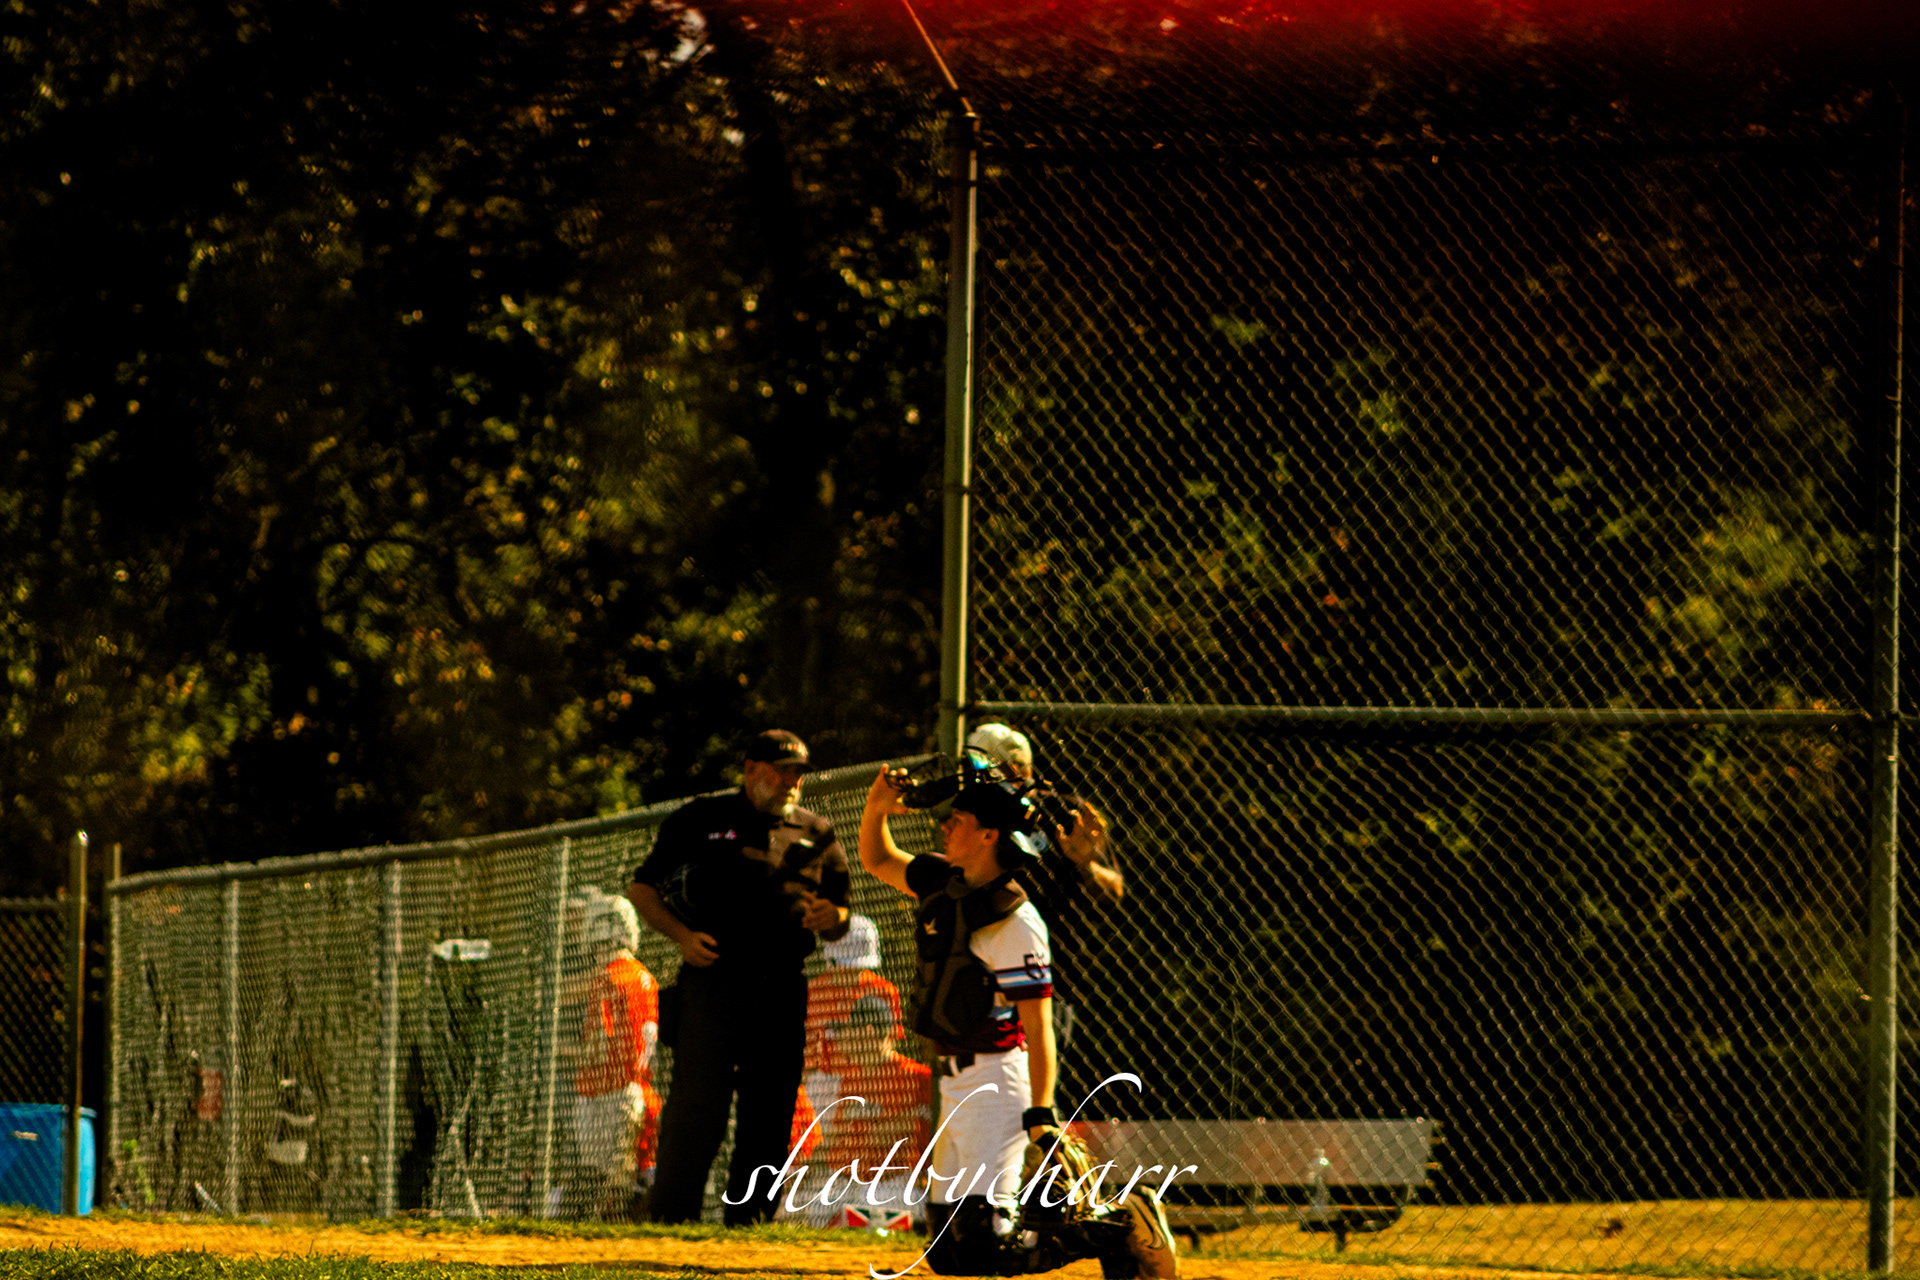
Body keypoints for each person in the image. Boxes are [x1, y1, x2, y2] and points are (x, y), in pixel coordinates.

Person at [858, 766, 1177, 1278]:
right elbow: (876, 859)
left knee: (988, 1248)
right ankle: (1110, 1226)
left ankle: (1120, 1225)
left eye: (959, 820)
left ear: (989, 835)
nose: (945, 826)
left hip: (996, 1084)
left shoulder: (1013, 918)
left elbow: (1038, 1023)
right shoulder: (942, 883)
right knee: (947, 1255)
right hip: (953, 1084)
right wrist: (876, 807)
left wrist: (1041, 1110)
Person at [628, 729, 852, 1225]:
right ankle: (672, 1219)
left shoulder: (817, 831)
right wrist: (682, 937)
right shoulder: (701, 818)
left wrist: (832, 918)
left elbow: (841, 913)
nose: (792, 782)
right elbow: (642, 887)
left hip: (781, 988)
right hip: (713, 982)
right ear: (751, 770)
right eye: (782, 770)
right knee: (697, 1104)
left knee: (771, 1108)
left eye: (798, 774)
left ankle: (749, 1223)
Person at [967, 723, 1122, 1051]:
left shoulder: (1064, 813)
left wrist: (1085, 863)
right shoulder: (972, 815)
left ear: (1022, 770)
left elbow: (1115, 890)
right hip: (978, 981)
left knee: (1037, 1075)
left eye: (992, 769)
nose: (982, 778)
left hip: (1047, 980)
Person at [787, 993, 932, 1229]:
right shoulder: (852, 1078)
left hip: (893, 1182)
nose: (841, 1039)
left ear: (868, 1031)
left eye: (846, 1030)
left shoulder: (915, 1077)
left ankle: (883, 1223)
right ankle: (860, 1221)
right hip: (848, 1182)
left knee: (893, 1204)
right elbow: (838, 1140)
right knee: (809, 1206)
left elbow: (904, 1137)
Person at [568, 889, 663, 1221]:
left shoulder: (609, 978)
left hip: (608, 1091)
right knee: (625, 1179)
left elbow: (599, 1045)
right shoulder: (645, 977)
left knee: (603, 1184)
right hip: (637, 1087)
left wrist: (561, 1052)